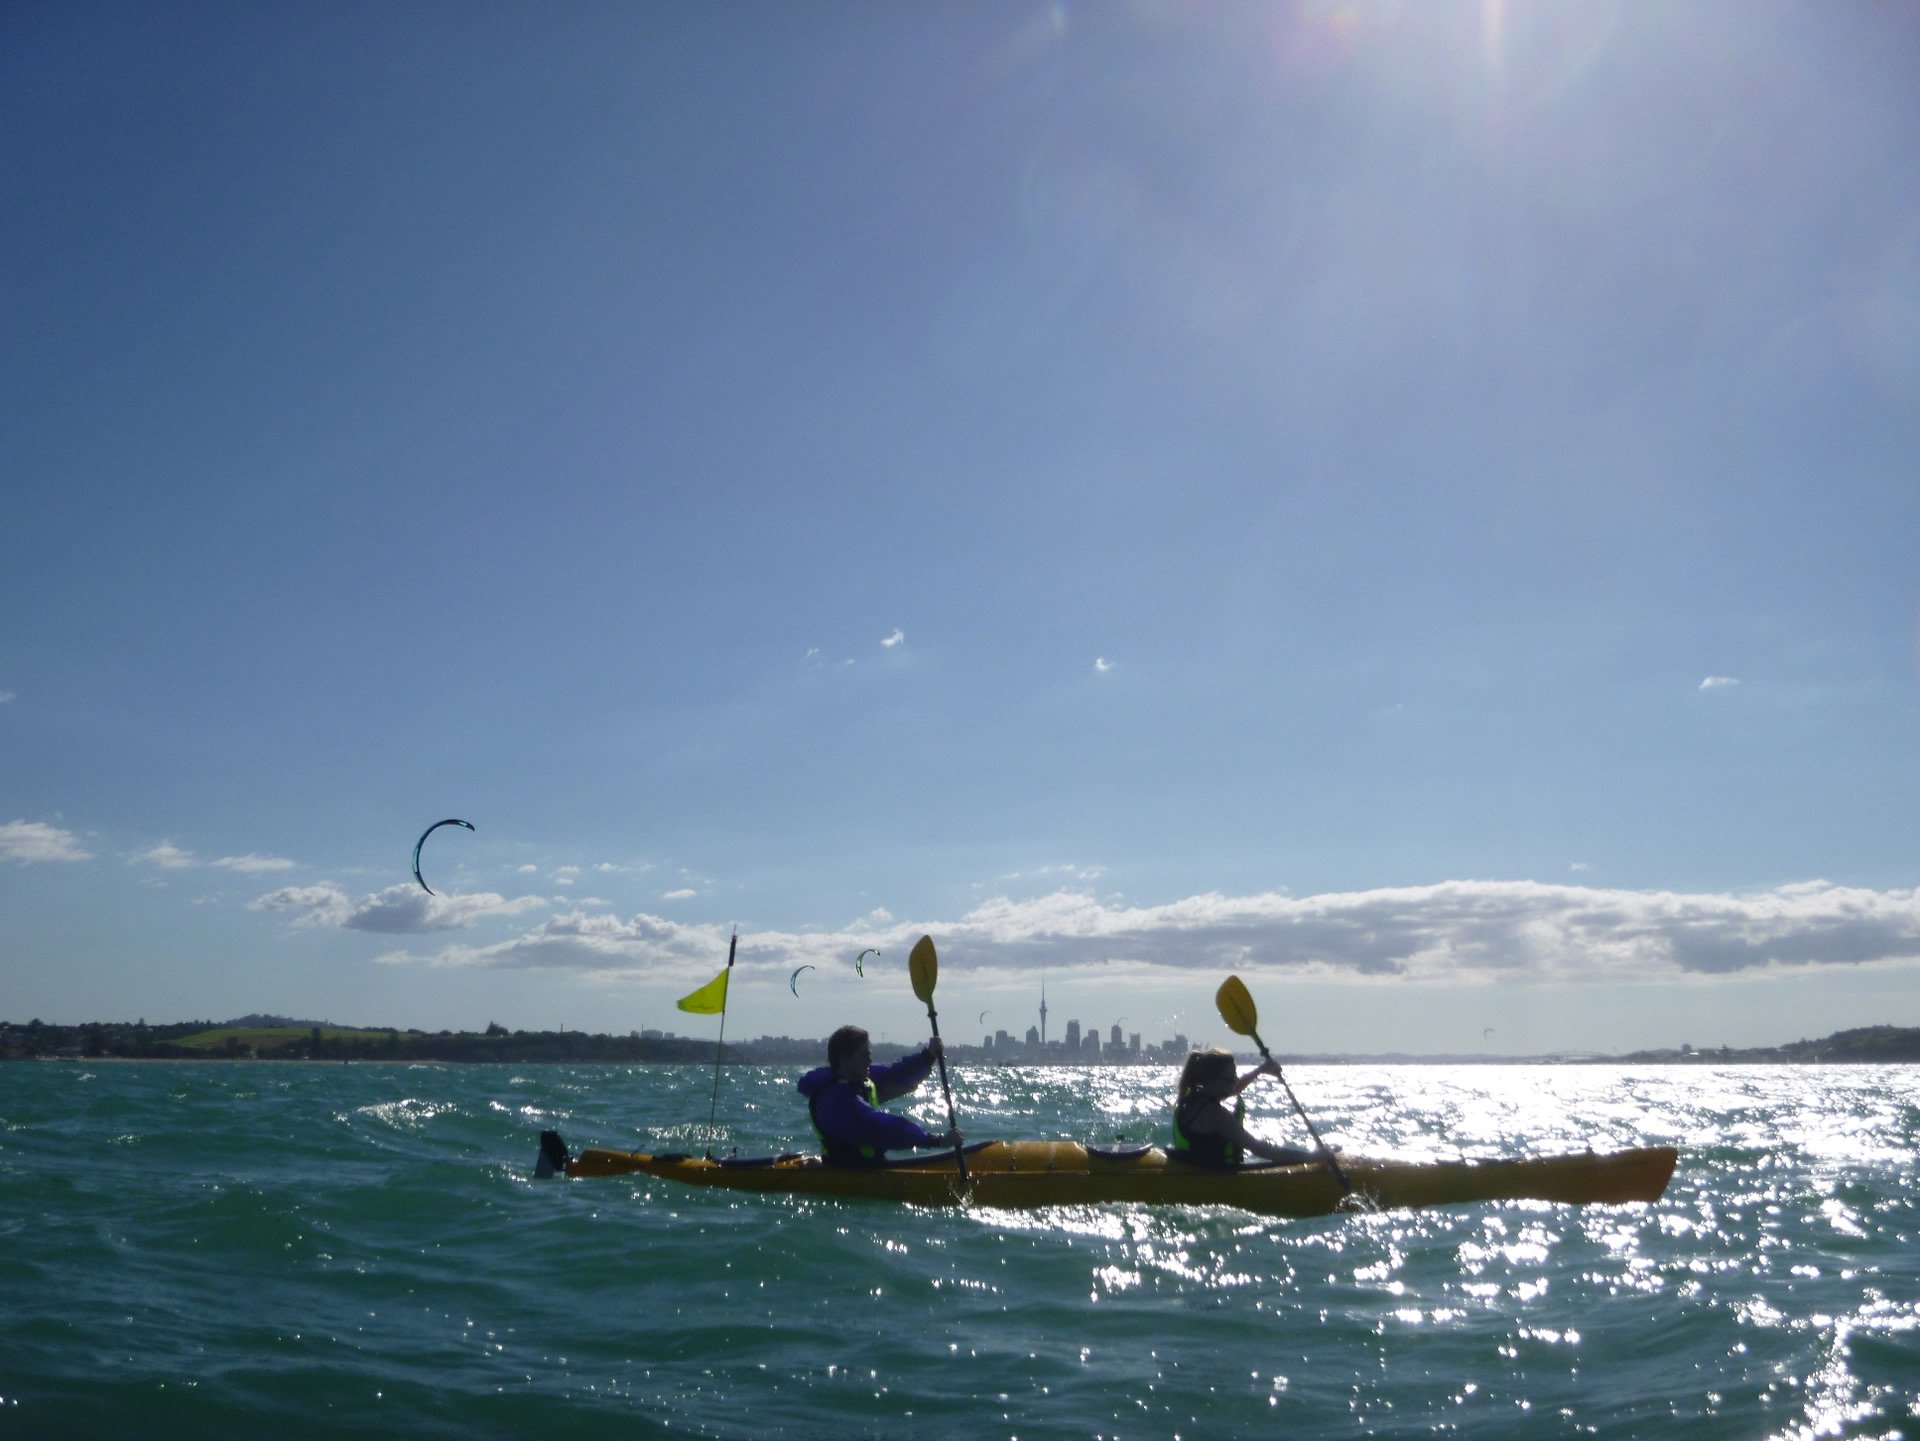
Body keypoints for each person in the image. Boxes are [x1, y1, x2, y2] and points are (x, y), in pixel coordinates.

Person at [797, 1024, 962, 1166]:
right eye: (864, 1055)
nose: (869, 1061)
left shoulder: (857, 1078)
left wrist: (928, 1055)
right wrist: (935, 1140)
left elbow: (895, 1072)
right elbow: (881, 1128)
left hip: (868, 1166)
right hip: (848, 1171)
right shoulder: (836, 1100)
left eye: (869, 1055)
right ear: (844, 1059)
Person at [1171, 1047, 1320, 1167]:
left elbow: (1234, 1089)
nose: (1235, 1081)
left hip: (1195, 1170)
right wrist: (1313, 1157)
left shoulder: (1190, 1099)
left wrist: (1259, 1071)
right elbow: (1259, 1149)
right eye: (1230, 1078)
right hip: (1218, 1181)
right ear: (1212, 1080)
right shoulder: (1217, 1115)